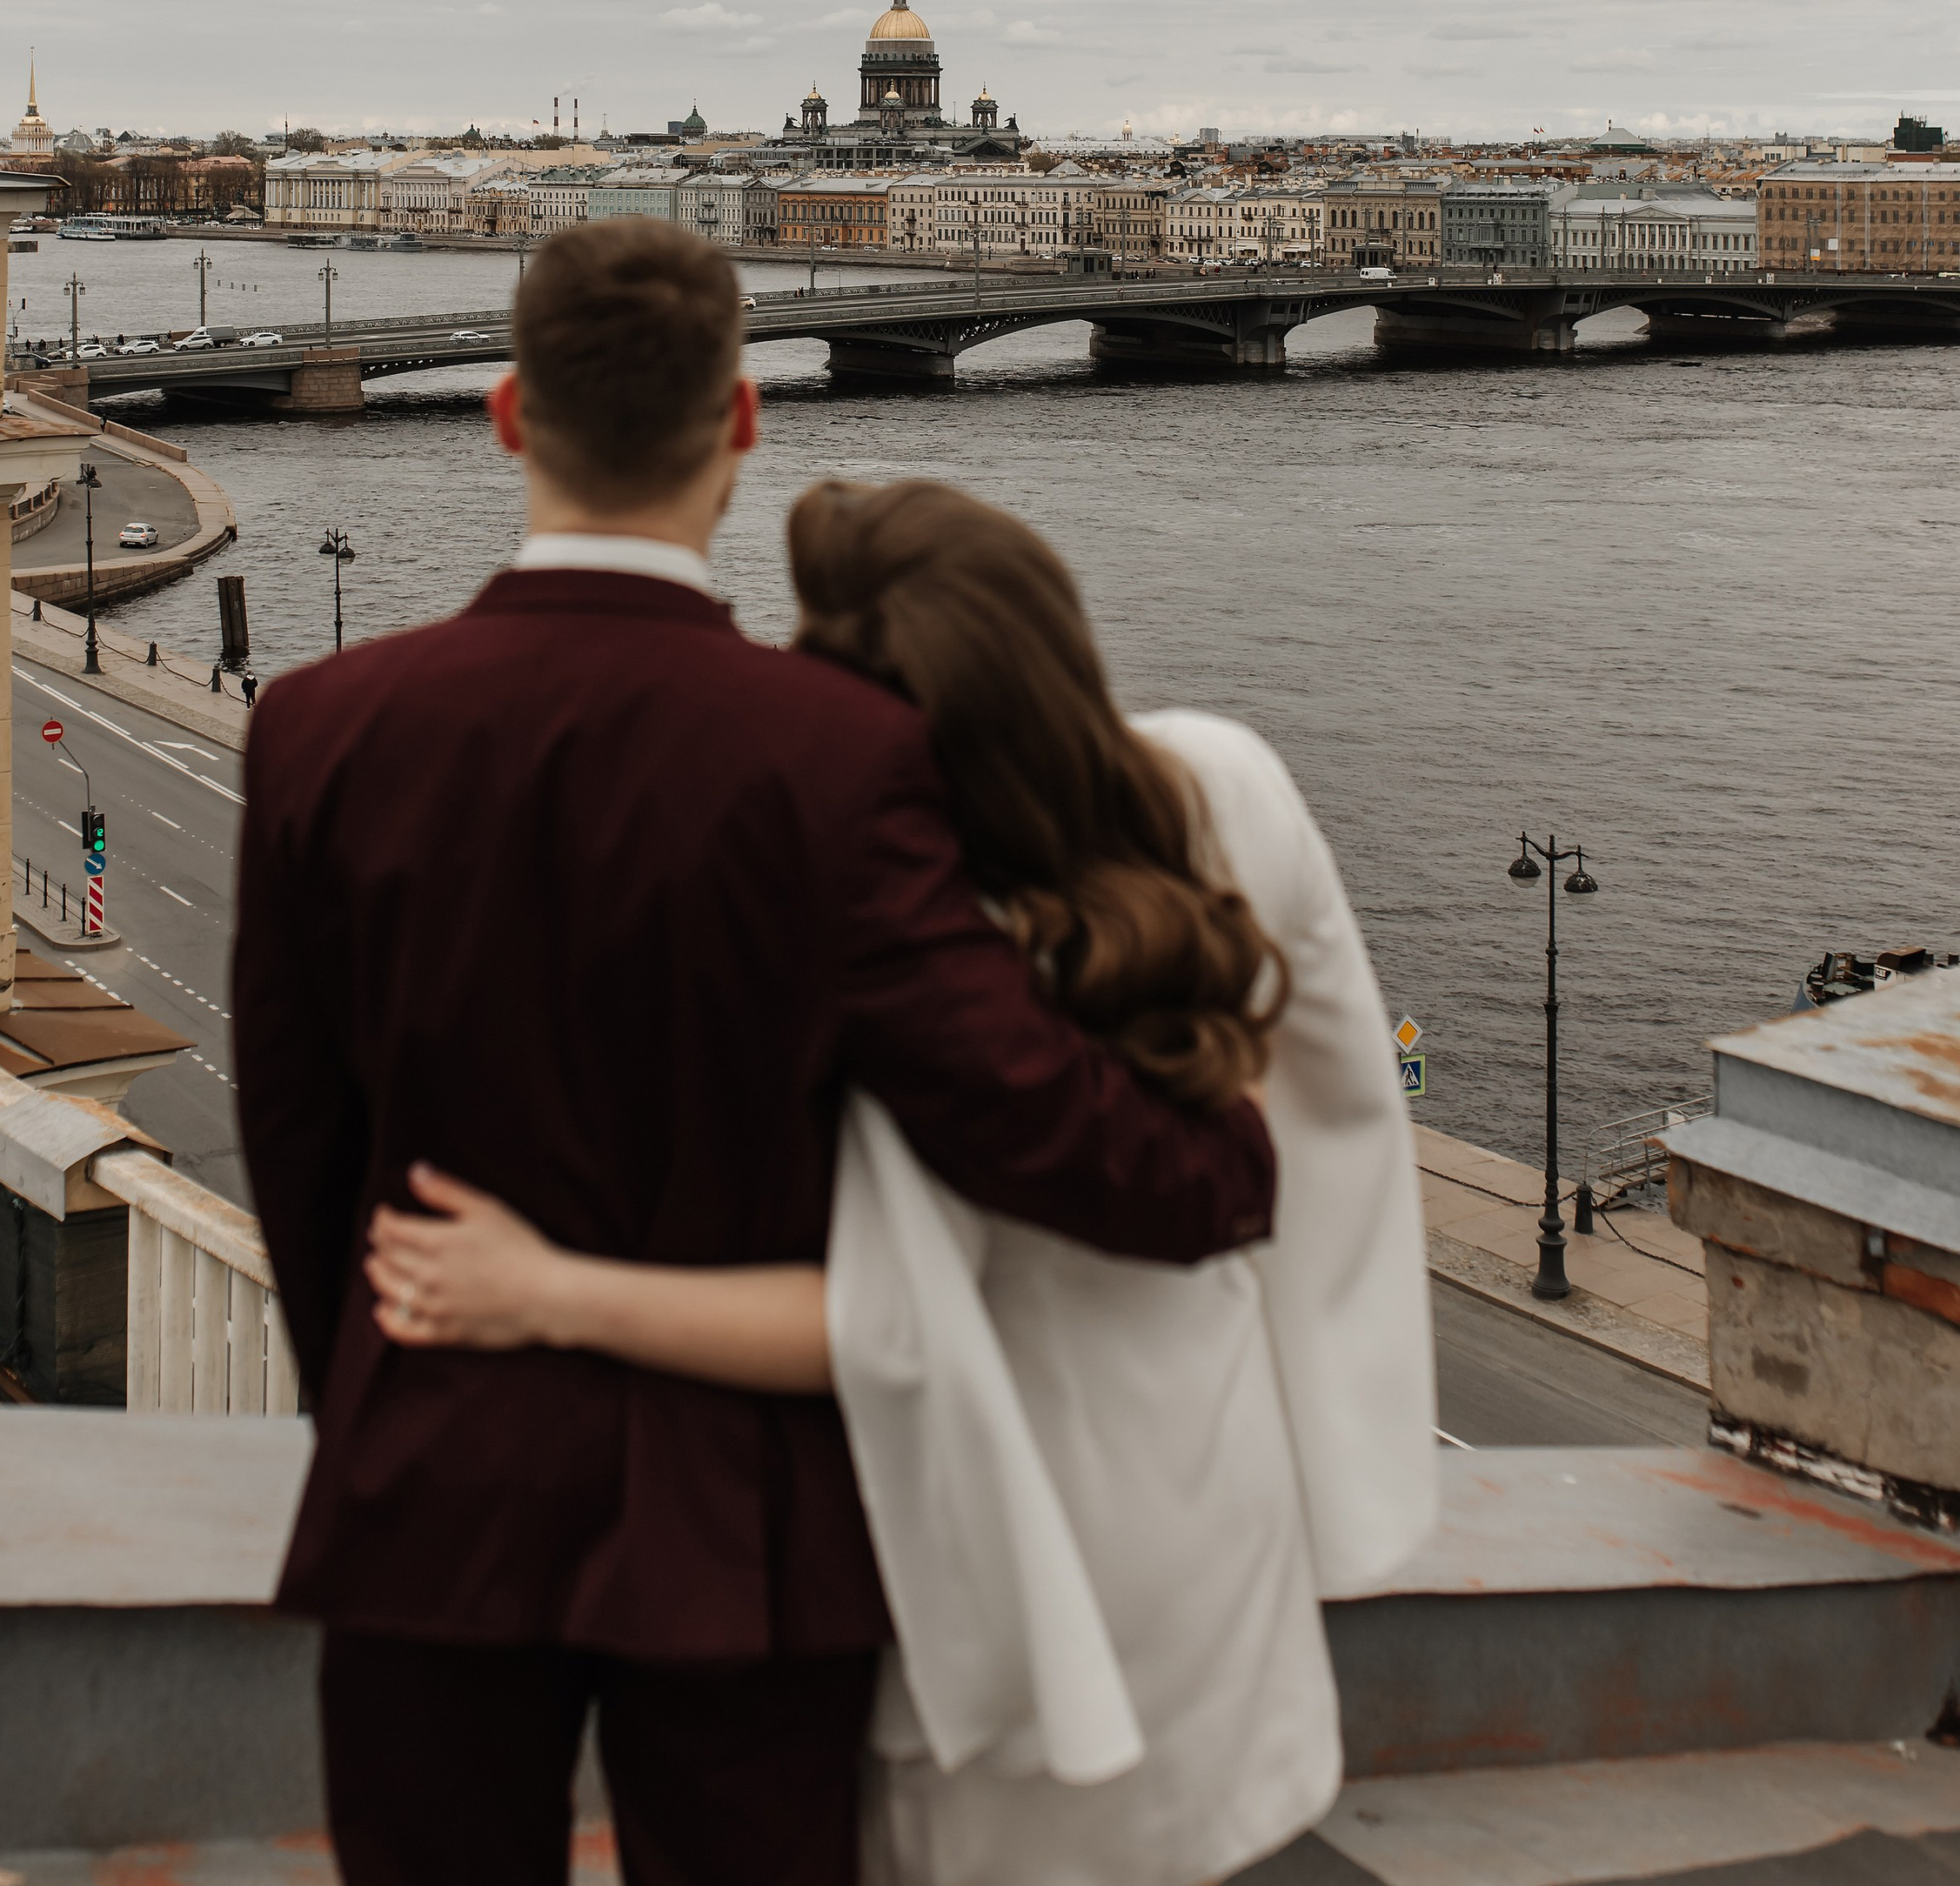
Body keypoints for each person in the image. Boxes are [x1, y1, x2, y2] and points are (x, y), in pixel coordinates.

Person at [232, 227, 1280, 1886]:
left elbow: (299, 1155)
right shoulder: (846, 758)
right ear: (742, 423)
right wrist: (1221, 1157)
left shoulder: (322, 728)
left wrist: (376, 1406)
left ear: (507, 416)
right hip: (751, 1545)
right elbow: (1018, 1112)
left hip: (427, 1489)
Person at [369, 478, 1436, 1886]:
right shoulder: (1224, 784)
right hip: (1220, 1523)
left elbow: (879, 1327)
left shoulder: (916, 955)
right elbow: (1341, 1103)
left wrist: (551, 1292)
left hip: (1016, 1579)